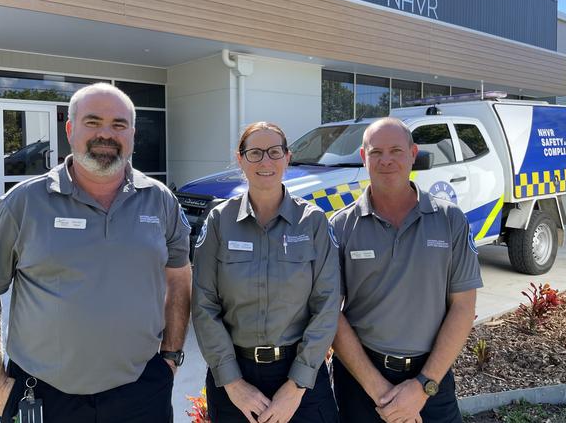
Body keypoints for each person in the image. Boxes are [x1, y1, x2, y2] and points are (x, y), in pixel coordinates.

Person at [0, 83, 192, 423]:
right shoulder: (23, 204)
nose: (106, 134)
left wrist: (170, 357)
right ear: (70, 130)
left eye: (118, 125)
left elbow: (179, 275)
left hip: (142, 391)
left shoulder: (160, 201)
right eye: (93, 121)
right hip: (44, 396)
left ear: (132, 134)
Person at [329, 117, 483, 423]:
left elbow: (463, 307)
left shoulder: (450, 219)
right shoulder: (341, 226)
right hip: (360, 380)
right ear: (363, 157)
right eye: (375, 152)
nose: (385, 160)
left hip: (431, 376)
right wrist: (379, 390)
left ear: (413, 154)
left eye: (396, 150)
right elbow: (330, 312)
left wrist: (422, 387)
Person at [192, 122, 340, 423]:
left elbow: (326, 304)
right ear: (240, 159)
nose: (265, 162)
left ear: (288, 157)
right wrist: (233, 383)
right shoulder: (220, 221)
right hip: (235, 374)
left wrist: (297, 386)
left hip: (301, 375)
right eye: (255, 153)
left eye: (274, 152)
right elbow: (204, 304)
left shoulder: (312, 222)